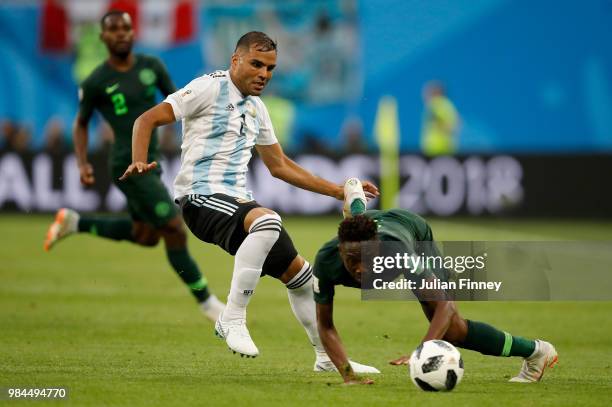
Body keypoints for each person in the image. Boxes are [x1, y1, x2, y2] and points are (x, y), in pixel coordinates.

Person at [119, 31, 381, 373]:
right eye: (256, 64)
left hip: (236, 202)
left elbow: (280, 166)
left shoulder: (257, 109)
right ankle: (232, 317)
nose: (264, 74)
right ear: (235, 60)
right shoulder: (209, 87)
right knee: (268, 221)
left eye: (270, 68)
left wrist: (339, 191)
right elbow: (146, 119)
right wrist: (139, 159)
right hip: (201, 198)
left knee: (303, 278)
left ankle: (328, 359)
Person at [44, 10, 224, 321]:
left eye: (126, 28)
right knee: (174, 229)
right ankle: (208, 302)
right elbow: (81, 123)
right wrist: (83, 162)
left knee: (147, 236)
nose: (122, 34)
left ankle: (75, 222)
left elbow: (180, 101)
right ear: (103, 37)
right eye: (114, 29)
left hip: (152, 161)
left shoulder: (151, 67)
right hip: (126, 165)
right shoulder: (96, 80)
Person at [314, 179, 558, 384]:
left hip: (411, 230)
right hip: (371, 229)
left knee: (453, 330)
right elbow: (324, 325)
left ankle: (537, 351)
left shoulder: (399, 252)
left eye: (366, 258)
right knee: (357, 224)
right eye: (350, 260)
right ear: (340, 251)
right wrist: (348, 376)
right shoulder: (326, 261)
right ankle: (356, 201)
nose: (359, 268)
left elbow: (446, 305)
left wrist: (424, 350)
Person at [420, 80, 459, 156]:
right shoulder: (447, 105)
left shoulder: (437, 104)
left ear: (435, 93)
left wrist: (440, 124)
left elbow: (453, 126)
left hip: (439, 150)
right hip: (443, 148)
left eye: (427, 92)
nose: (424, 95)